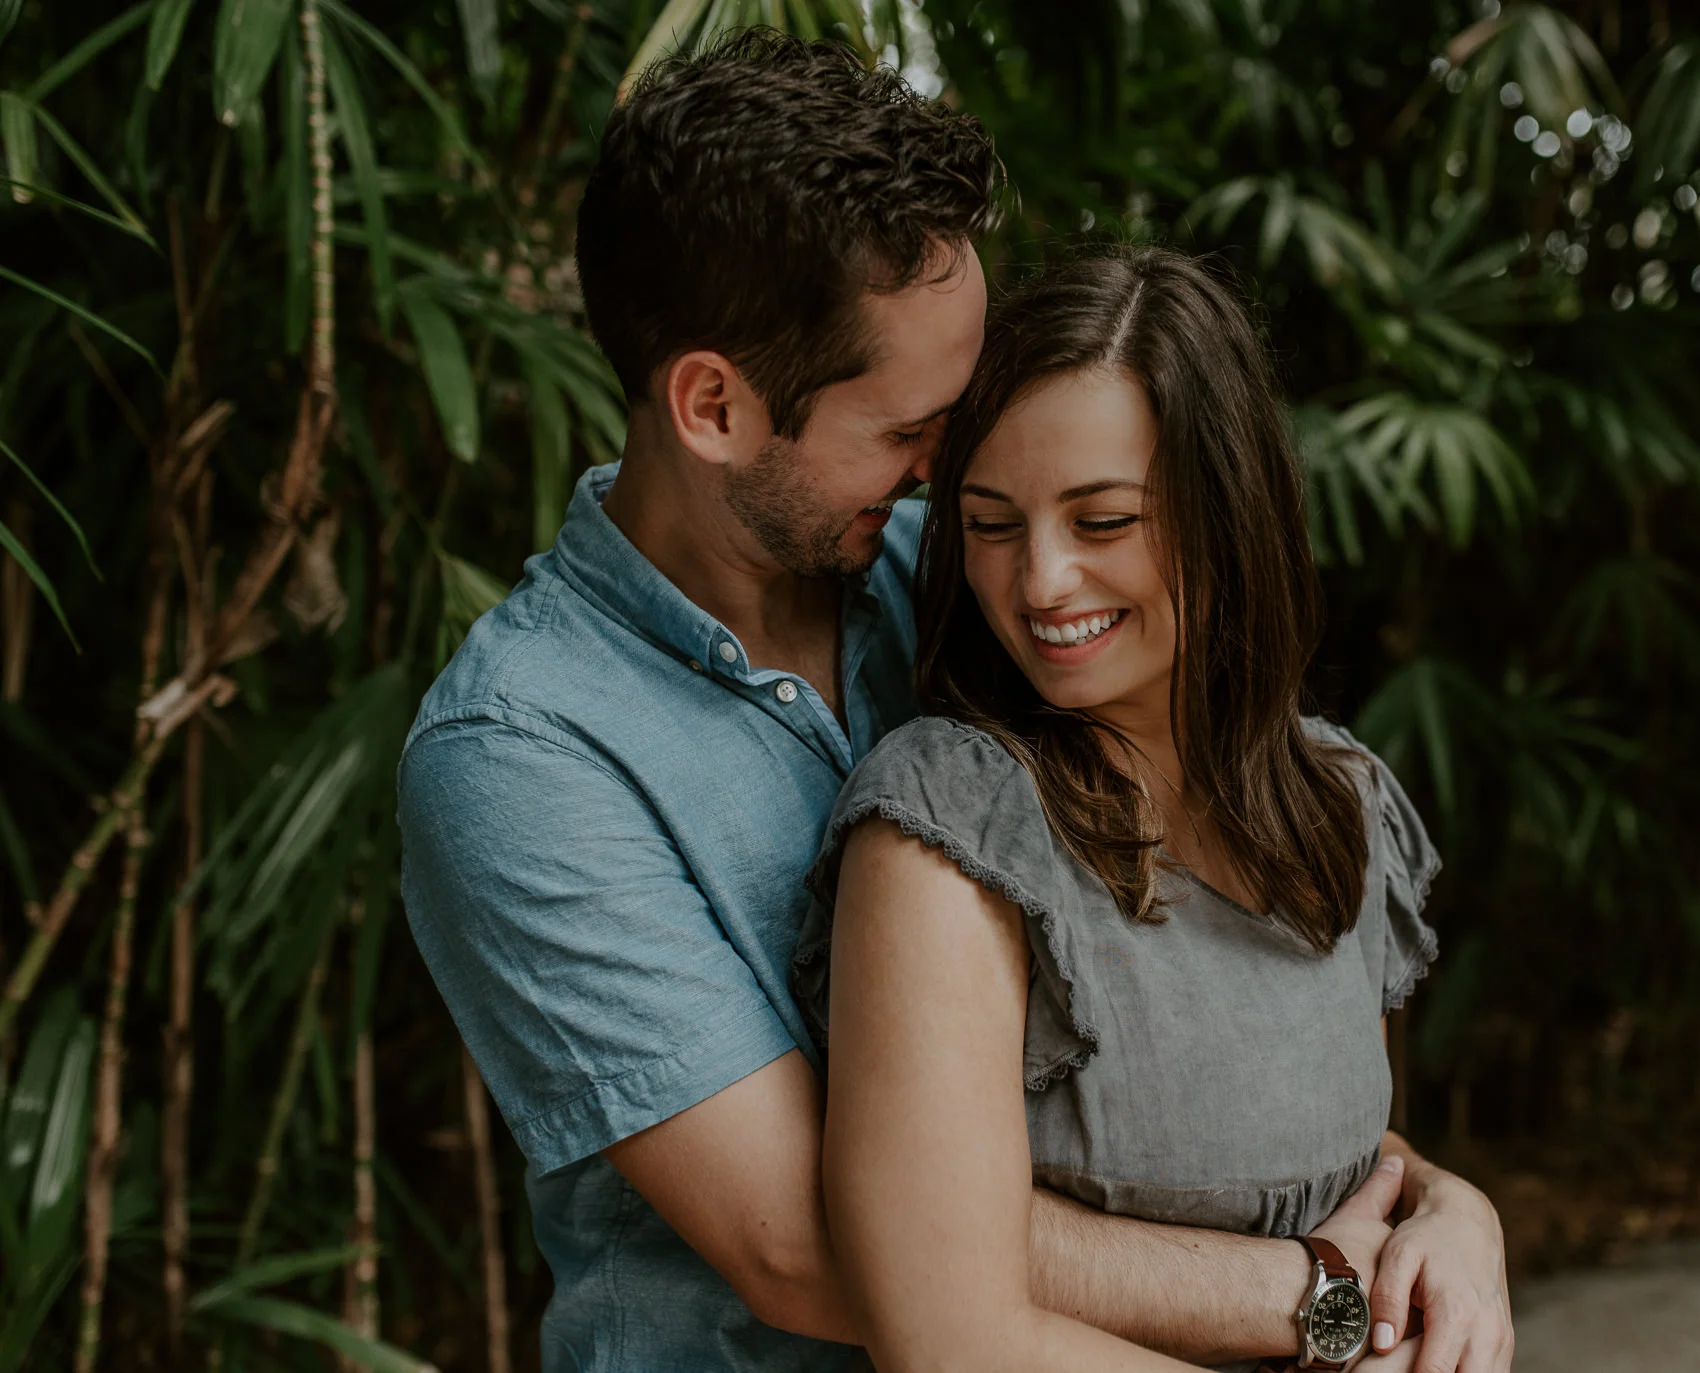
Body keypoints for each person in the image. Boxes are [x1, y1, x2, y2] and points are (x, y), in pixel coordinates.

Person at [398, 29, 1510, 1373]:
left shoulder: (972, 580)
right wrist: (1327, 1289)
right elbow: (818, 1245)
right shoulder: (520, 751)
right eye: (907, 430)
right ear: (713, 406)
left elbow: (1202, 1046)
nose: (954, 469)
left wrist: (1441, 1206)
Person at [795, 245, 1510, 1373]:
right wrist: (1338, 1312)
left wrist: (1453, 1210)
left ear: (1226, 514)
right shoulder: (947, 826)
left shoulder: (1342, 800)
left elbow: (1323, 1162)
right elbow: (951, 1341)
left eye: (1101, 521)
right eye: (991, 524)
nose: (1039, 582)